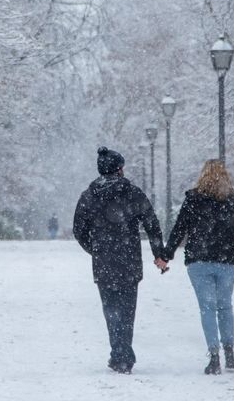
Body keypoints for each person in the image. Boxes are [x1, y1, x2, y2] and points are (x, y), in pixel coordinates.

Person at [73, 146, 168, 374]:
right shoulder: (133, 193)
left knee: (111, 310)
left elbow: (79, 230)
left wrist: (95, 248)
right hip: (129, 259)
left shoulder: (89, 196)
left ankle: (119, 353)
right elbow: (152, 224)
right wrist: (158, 253)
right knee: (127, 310)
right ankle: (123, 354)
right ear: (118, 169)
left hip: (104, 262)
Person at [162, 159, 234, 374]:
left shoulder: (193, 199)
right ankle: (229, 353)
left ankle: (214, 356)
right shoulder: (233, 200)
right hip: (226, 260)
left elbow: (179, 228)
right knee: (225, 306)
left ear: (202, 175)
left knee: (207, 308)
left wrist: (166, 255)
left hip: (199, 259)